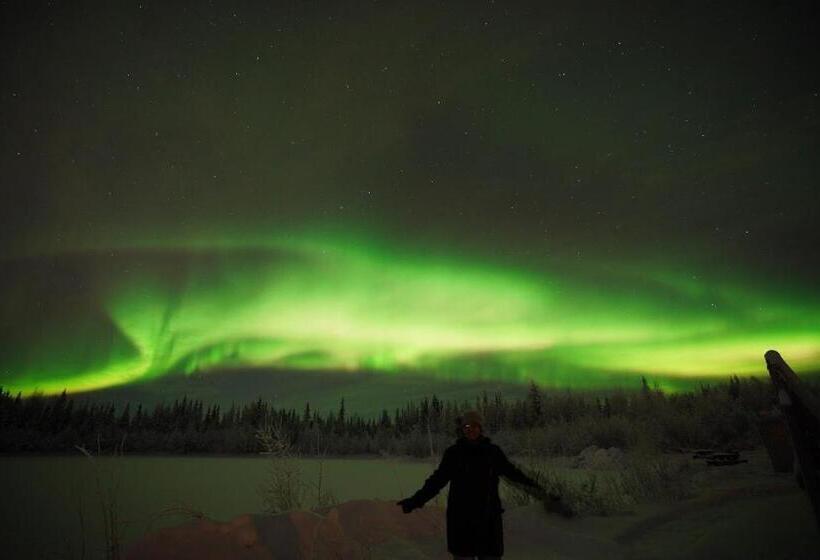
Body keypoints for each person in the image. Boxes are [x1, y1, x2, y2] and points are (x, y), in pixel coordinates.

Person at [397, 410, 572, 559]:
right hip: (461, 521)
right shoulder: (454, 454)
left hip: (488, 521)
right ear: (462, 430)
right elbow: (436, 481)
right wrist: (415, 501)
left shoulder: (492, 453)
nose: (470, 430)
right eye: (466, 427)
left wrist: (544, 495)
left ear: (481, 428)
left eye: (474, 426)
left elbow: (516, 476)